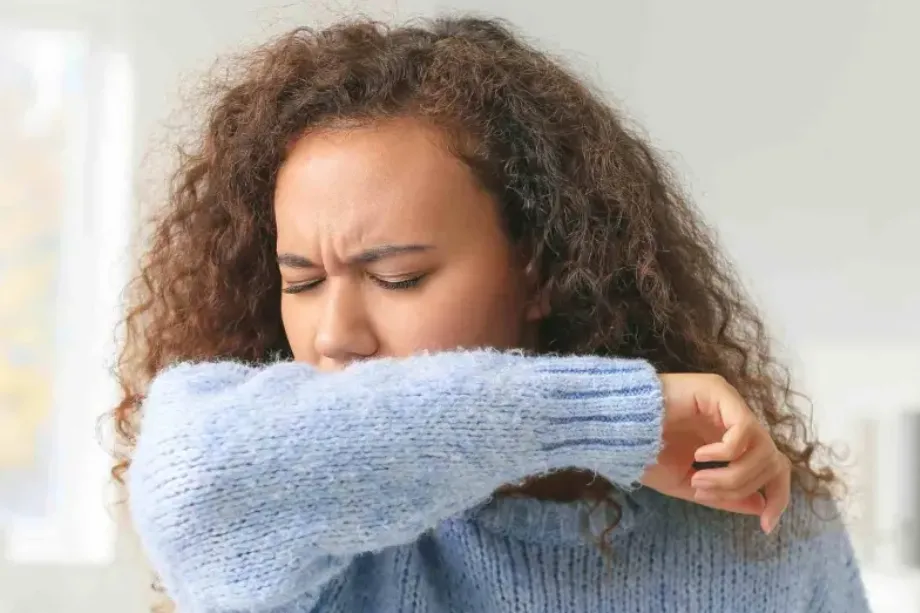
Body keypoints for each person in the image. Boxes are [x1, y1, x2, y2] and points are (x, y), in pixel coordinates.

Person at [117, 16, 869, 613]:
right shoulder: (305, 537)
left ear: (541, 272)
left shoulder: (767, 535)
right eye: (303, 282)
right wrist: (610, 419)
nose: (334, 334)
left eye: (398, 277)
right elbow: (189, 476)